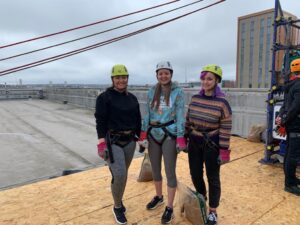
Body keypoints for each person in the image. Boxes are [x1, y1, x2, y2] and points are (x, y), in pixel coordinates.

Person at [139, 61, 186, 224]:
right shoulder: (152, 91)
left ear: (171, 74)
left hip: (169, 134)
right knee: (156, 170)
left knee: (170, 171)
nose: (163, 76)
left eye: (166, 73)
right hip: (153, 134)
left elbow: (180, 114)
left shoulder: (178, 92)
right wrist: (143, 133)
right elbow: (147, 113)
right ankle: (159, 197)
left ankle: (170, 207)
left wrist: (181, 136)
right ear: (157, 75)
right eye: (160, 73)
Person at [185, 64, 232, 225]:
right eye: (203, 78)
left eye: (210, 79)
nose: (206, 82)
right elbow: (188, 119)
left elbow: (226, 127)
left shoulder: (222, 102)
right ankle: (201, 197)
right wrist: (183, 138)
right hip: (194, 142)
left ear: (217, 80)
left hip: (212, 143)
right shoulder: (195, 98)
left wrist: (224, 150)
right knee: (195, 174)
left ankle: (212, 211)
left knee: (213, 177)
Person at [95, 64, 141, 224]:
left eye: (124, 77)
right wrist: (101, 143)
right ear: (112, 79)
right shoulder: (104, 98)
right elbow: (100, 121)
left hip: (130, 142)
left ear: (127, 79)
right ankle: (117, 206)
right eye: (118, 77)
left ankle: (119, 200)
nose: (121, 80)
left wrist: (141, 138)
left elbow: (138, 119)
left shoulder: (132, 98)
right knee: (120, 174)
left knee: (122, 175)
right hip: (112, 142)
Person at [275, 58, 300, 196]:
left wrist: (281, 118)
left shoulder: (291, 84)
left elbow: (286, 105)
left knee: (290, 152)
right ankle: (289, 184)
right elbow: (296, 107)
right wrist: (283, 119)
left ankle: (291, 179)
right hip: (297, 125)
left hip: (292, 124)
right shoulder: (299, 85)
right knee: (293, 155)